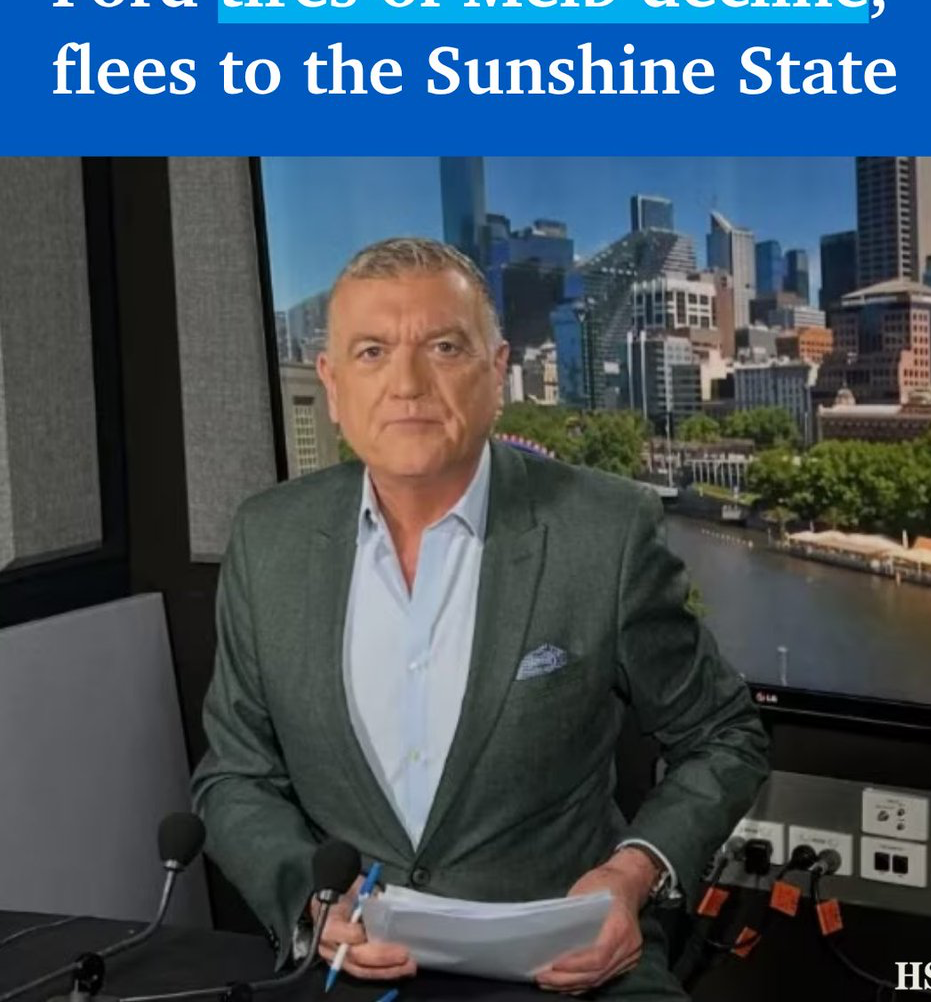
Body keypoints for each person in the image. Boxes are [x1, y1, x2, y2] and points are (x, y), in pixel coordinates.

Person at [192, 237, 769, 1000]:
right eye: (371, 351)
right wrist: (306, 896)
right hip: (351, 969)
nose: (406, 383)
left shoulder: (603, 530)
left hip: (570, 970)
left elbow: (726, 734)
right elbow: (233, 776)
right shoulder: (268, 540)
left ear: (496, 372)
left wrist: (629, 879)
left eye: (443, 346)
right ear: (331, 385)